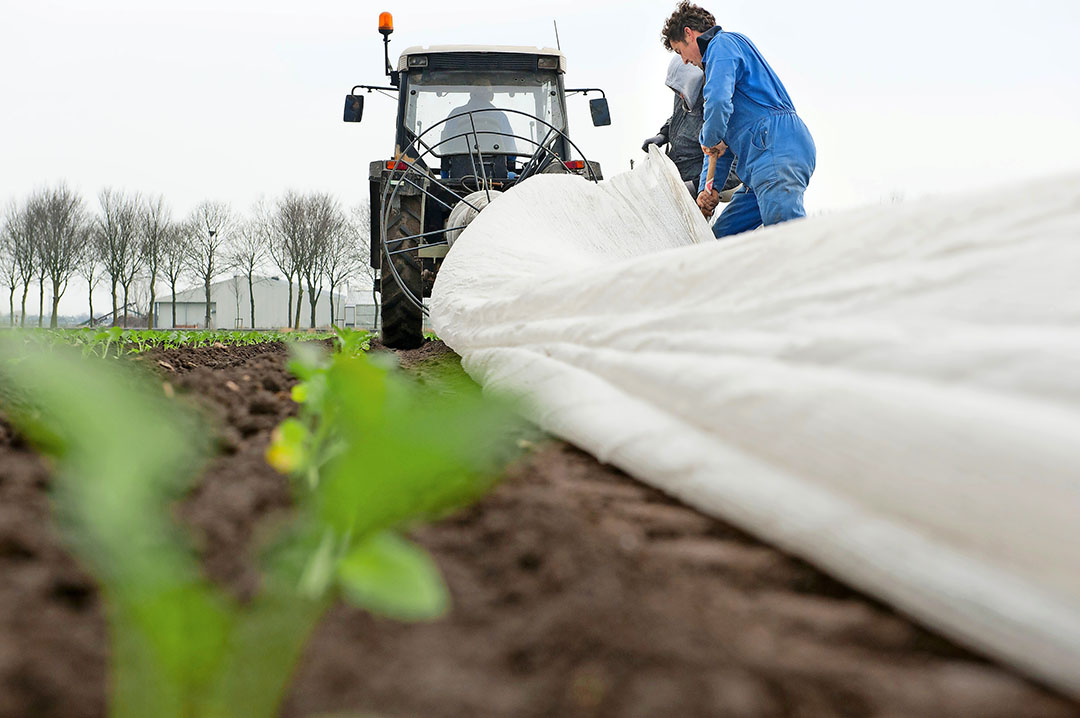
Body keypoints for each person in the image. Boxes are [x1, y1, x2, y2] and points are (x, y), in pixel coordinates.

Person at [662, 2, 816, 238]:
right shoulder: (721, 80)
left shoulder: (722, 45)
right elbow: (719, 150)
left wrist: (708, 139)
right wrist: (708, 189)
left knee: (788, 235)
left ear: (688, 34)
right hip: (757, 166)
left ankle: (813, 273)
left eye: (680, 51)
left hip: (776, 147)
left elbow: (717, 105)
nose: (684, 61)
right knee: (720, 239)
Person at [643, 56, 741, 199]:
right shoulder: (684, 93)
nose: (679, 95)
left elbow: (735, 167)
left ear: (694, 83)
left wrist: (697, 187)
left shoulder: (718, 111)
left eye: (681, 90)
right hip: (674, 171)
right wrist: (663, 135)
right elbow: (676, 116)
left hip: (696, 182)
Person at [440, 85, 518, 156]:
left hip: (456, 168)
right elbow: (511, 153)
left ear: (471, 94)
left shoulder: (455, 114)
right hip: (498, 169)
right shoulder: (500, 117)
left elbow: (445, 149)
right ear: (490, 95)